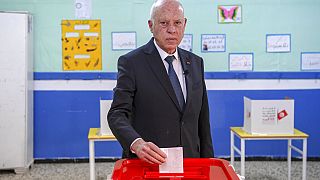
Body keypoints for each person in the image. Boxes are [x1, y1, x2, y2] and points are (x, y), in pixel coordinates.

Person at [107, 0, 213, 164]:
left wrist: (209, 163)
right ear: (151, 25)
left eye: (177, 23)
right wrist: (136, 144)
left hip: (191, 162)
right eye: (164, 23)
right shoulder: (132, 62)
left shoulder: (196, 63)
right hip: (150, 163)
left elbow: (202, 120)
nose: (172, 30)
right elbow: (117, 114)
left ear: (184, 24)